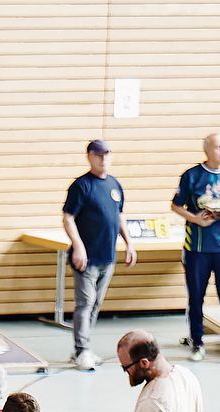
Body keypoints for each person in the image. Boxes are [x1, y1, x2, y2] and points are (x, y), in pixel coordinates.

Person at [171, 132, 220, 365]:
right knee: (196, 298)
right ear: (207, 150)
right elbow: (175, 205)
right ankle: (197, 342)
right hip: (197, 248)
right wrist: (195, 219)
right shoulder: (192, 176)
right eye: (218, 147)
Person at [60, 139, 137, 370]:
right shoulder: (81, 186)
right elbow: (68, 217)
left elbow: (118, 216)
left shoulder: (114, 185)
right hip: (87, 258)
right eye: (98, 155)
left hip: (107, 256)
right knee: (85, 302)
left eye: (106, 154)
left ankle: (83, 347)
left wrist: (129, 243)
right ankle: (82, 350)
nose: (103, 159)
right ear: (90, 157)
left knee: (96, 304)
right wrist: (78, 246)